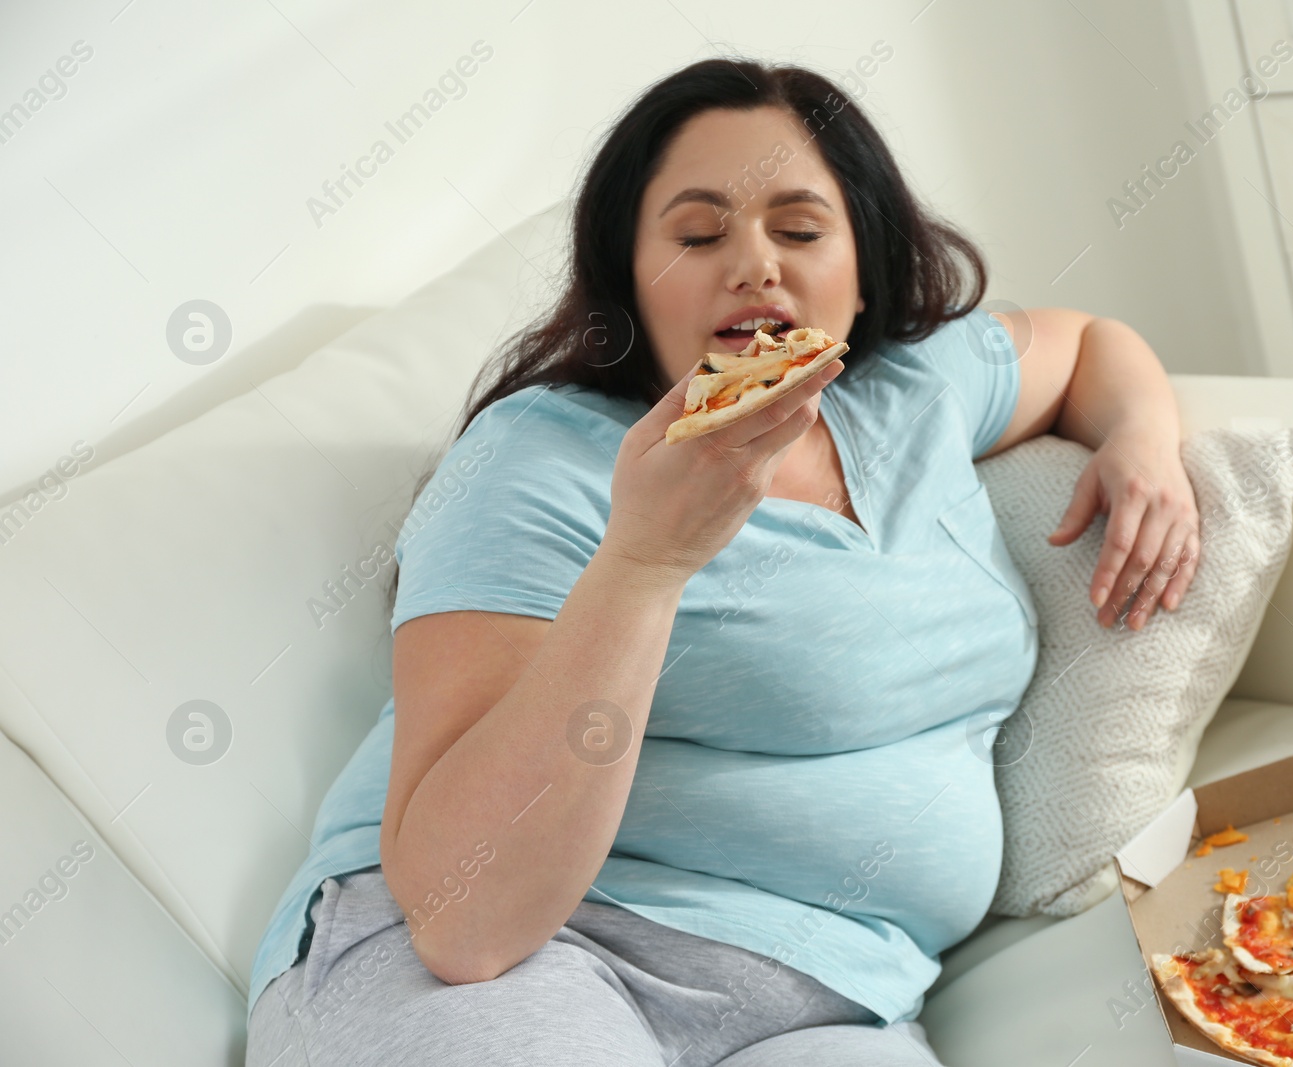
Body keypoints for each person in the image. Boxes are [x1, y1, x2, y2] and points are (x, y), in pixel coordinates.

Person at [244, 55, 1199, 1067]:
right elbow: (463, 922)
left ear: (865, 264)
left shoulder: (917, 390)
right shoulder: (533, 460)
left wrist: (1143, 437)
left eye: (798, 230)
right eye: (697, 235)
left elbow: (1091, 341)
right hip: (526, 959)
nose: (754, 265)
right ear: (630, 276)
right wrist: (645, 561)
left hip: (829, 1000)